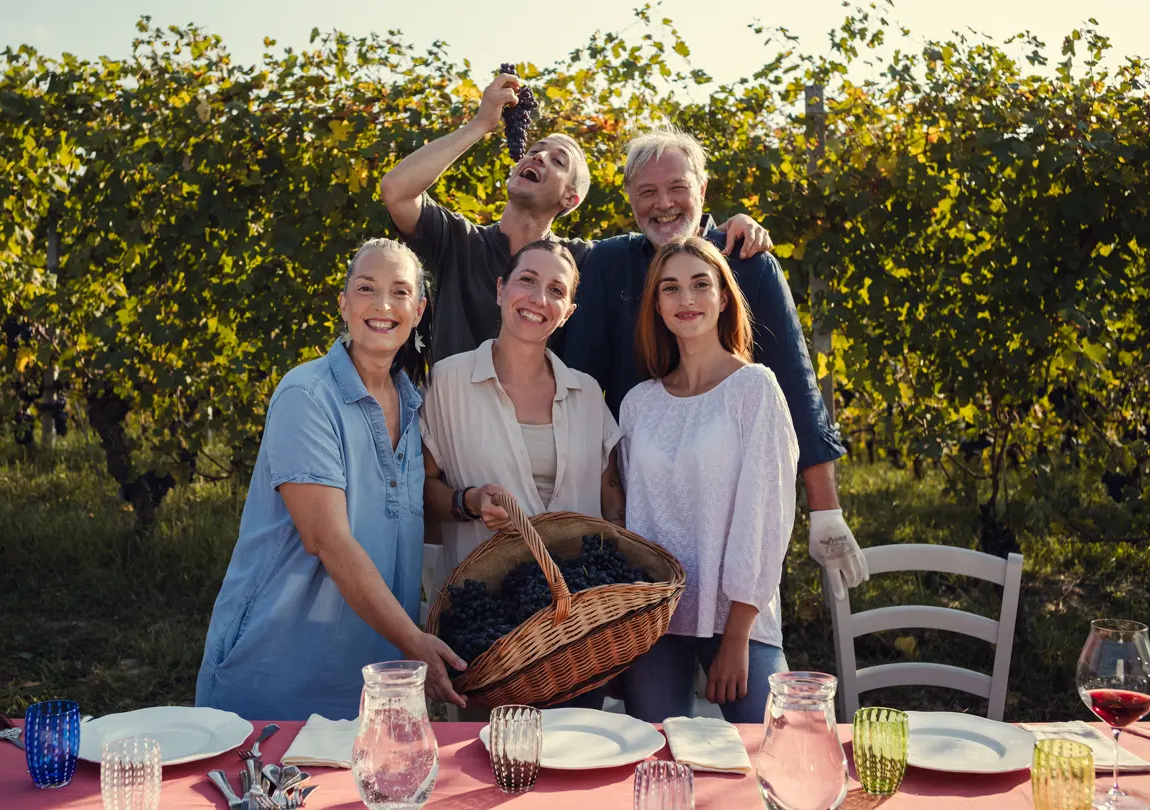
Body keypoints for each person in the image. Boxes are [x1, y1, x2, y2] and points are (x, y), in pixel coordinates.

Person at [561, 126, 869, 601]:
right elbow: (578, 389)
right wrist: (603, 504)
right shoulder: (606, 264)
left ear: (703, 191)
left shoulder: (748, 262)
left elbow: (794, 384)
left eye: (678, 188)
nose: (663, 203)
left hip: (730, 510)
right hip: (641, 507)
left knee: (737, 648)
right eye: (647, 192)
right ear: (629, 201)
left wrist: (825, 511)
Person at [195, 238, 467, 721]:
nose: (383, 305)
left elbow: (401, 516)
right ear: (343, 304)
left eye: (400, 292)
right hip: (278, 677)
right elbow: (329, 540)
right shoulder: (307, 396)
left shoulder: (413, 405)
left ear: (419, 310)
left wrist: (470, 504)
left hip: (372, 682)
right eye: (366, 288)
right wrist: (414, 640)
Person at [379, 71, 773, 363]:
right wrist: (481, 124)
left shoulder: (583, 262)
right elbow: (396, 190)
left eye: (558, 159)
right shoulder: (457, 240)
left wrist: (719, 229)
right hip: (450, 437)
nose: (538, 156)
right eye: (535, 150)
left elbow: (664, 239)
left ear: (571, 198)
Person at [419, 240, 623, 715]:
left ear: (567, 312)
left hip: (578, 632)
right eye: (527, 280)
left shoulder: (588, 394)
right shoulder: (447, 382)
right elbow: (420, 492)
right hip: (489, 630)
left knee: (576, 767)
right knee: (487, 770)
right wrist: (468, 501)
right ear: (500, 289)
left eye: (555, 290)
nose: (538, 298)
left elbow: (611, 504)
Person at [616, 236, 798, 723]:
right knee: (654, 757)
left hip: (738, 612)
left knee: (765, 750)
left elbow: (767, 515)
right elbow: (633, 520)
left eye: (701, 285)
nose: (687, 300)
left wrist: (737, 636)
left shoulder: (755, 389)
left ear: (724, 297)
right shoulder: (638, 404)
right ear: (657, 305)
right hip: (656, 619)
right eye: (670, 288)